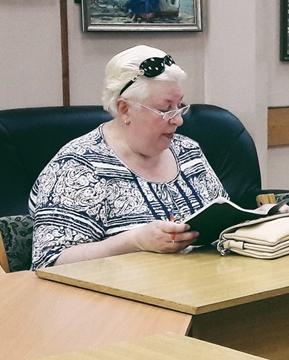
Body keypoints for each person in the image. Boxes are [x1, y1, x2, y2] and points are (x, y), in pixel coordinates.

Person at [29, 45, 228, 270]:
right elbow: (49, 263)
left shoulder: (187, 152)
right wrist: (135, 241)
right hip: (116, 292)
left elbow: (226, 222)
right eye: (165, 109)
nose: (179, 120)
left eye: (179, 106)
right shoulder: (79, 166)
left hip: (205, 283)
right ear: (125, 109)